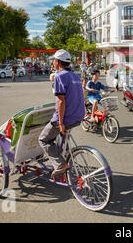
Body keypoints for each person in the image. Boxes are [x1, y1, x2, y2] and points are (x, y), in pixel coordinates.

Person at [38, 49, 85, 177]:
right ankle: (64, 153)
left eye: (53, 60)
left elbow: (60, 102)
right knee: (61, 136)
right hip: (79, 116)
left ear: (57, 62)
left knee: (43, 140)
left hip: (67, 117)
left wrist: (60, 123)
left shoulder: (59, 76)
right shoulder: (75, 76)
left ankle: (60, 164)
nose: (53, 62)